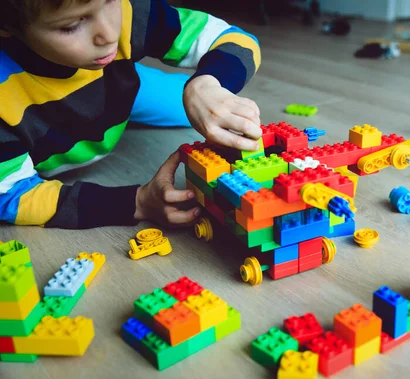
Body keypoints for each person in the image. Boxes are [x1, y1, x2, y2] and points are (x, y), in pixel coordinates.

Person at [0, 0, 262, 229]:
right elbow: (11, 196)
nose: (109, 34)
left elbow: (234, 38)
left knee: (200, 104)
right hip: (38, 99)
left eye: (110, 1)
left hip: (114, 83)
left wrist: (206, 83)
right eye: (71, 26)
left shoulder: (128, 9)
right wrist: (137, 202)